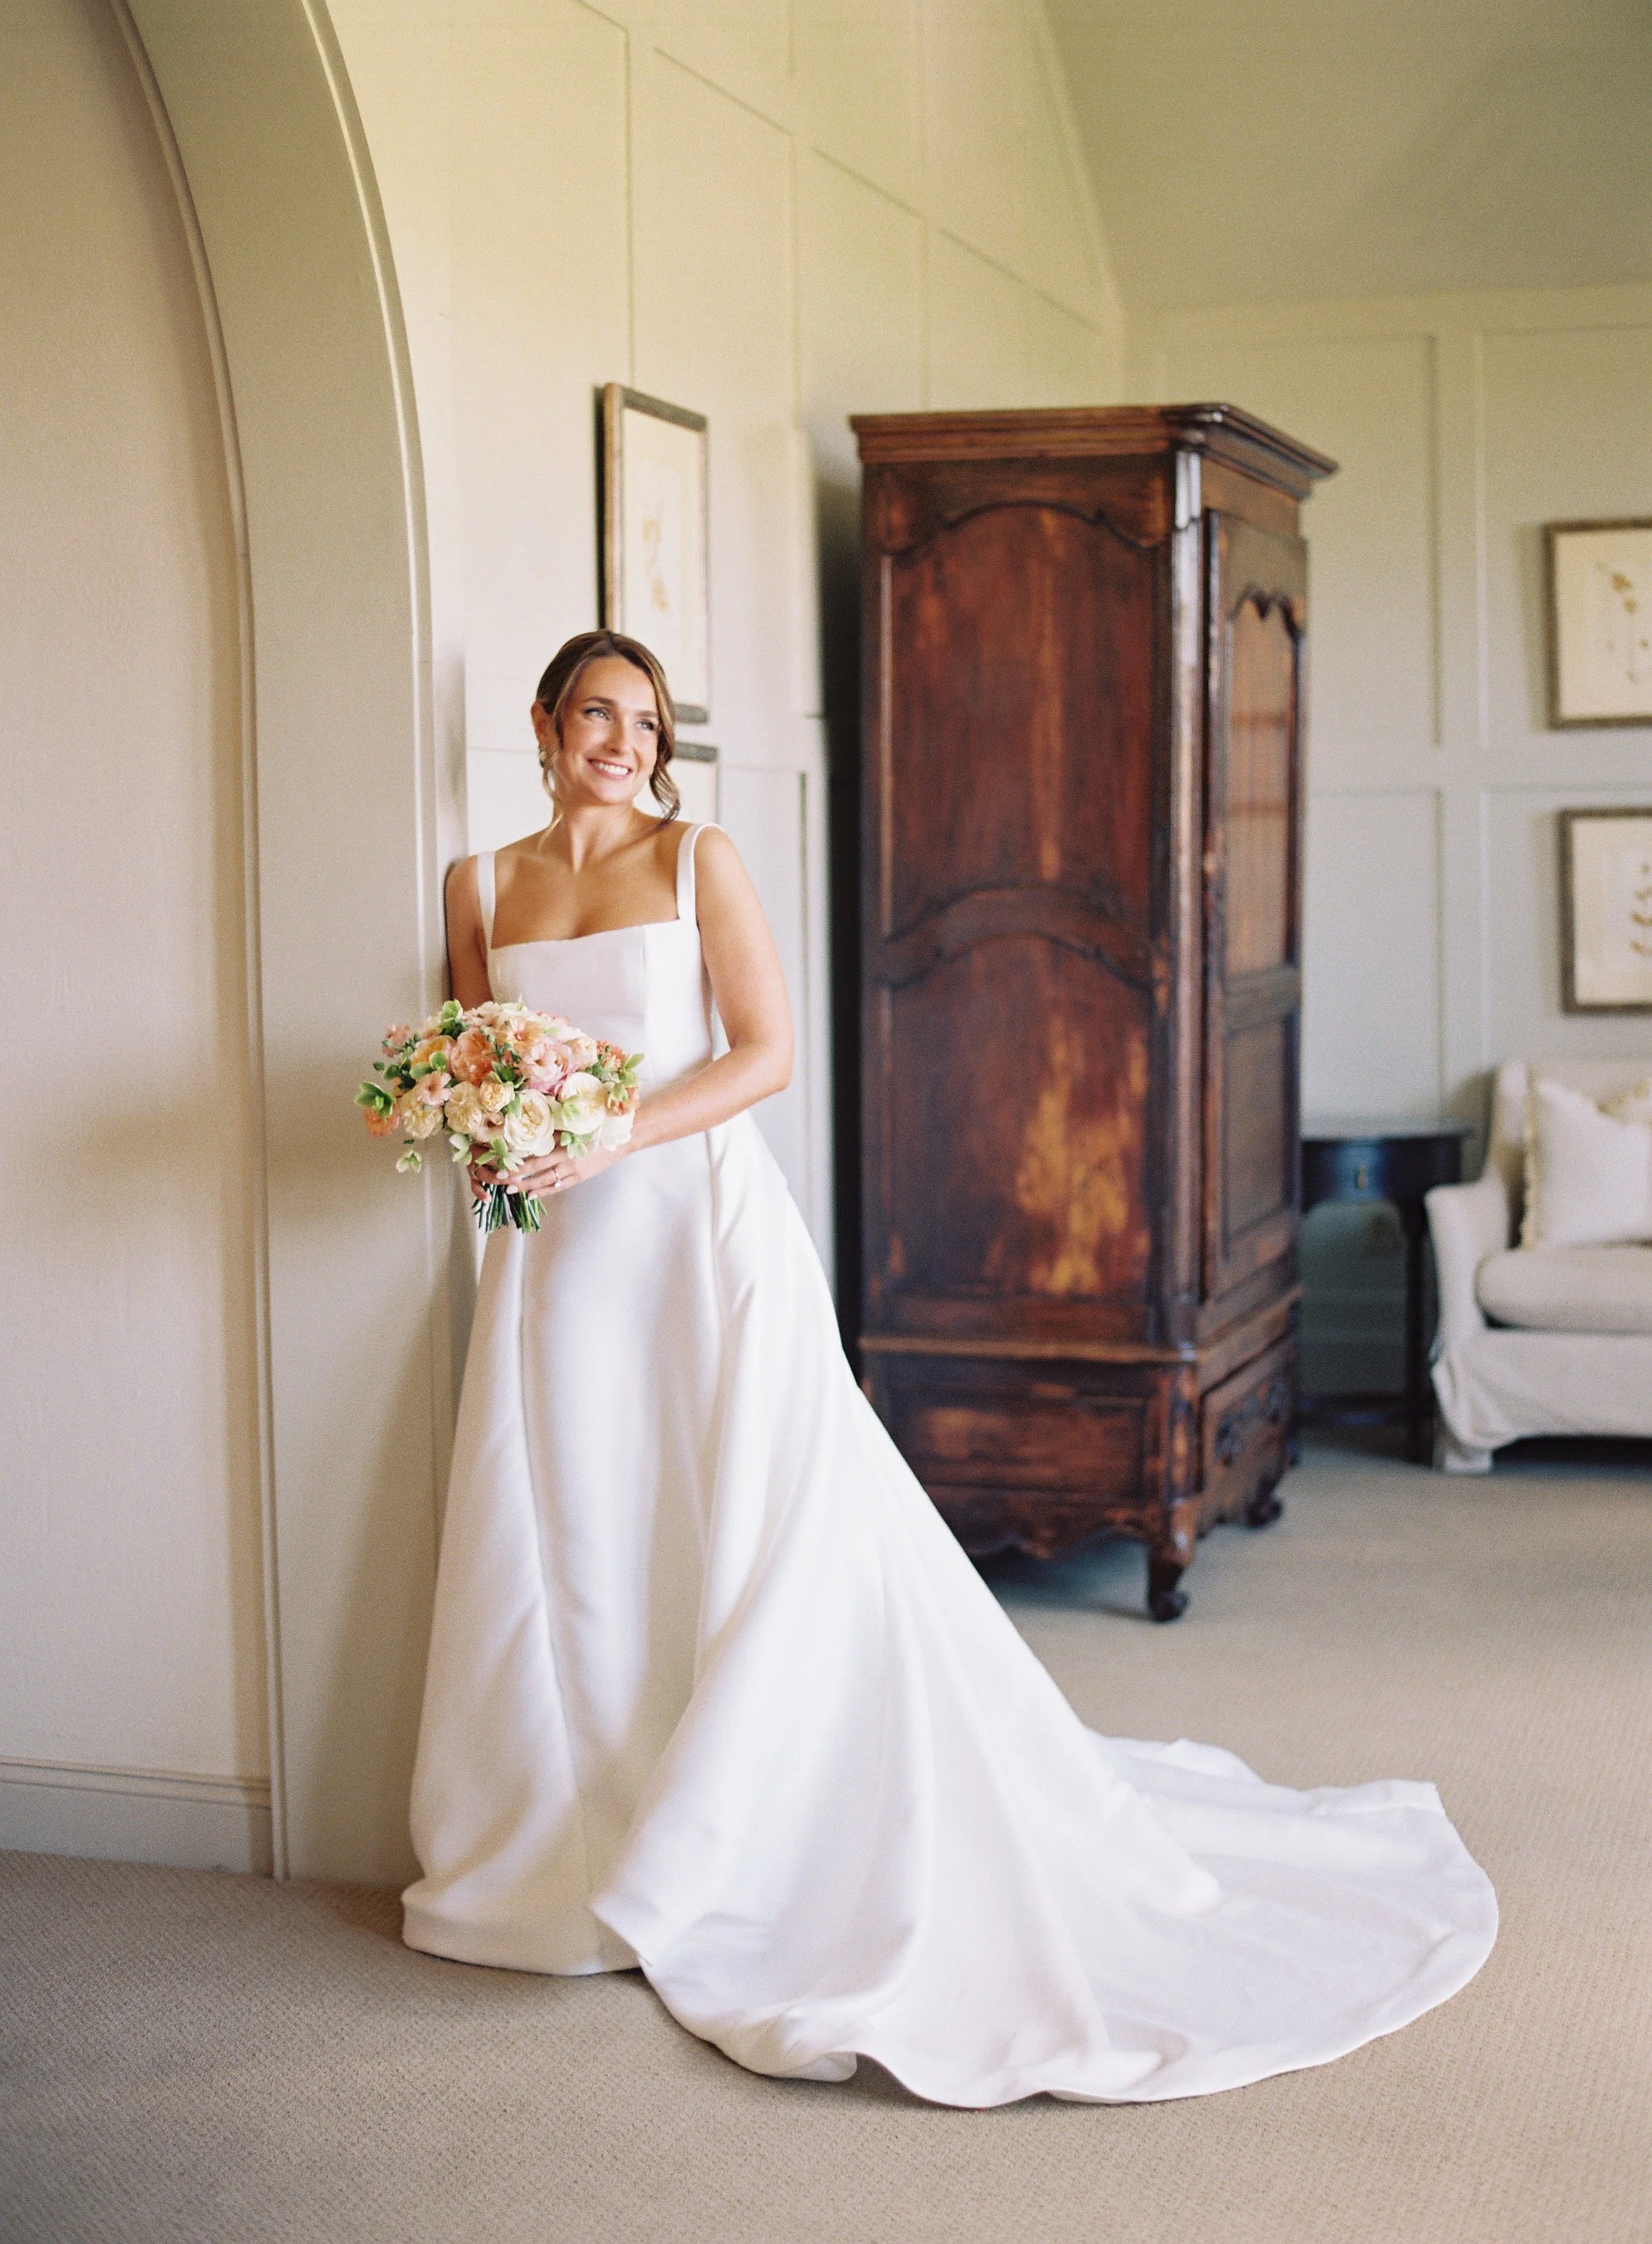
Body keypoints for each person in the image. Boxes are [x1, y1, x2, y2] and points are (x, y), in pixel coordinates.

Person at [401, 629, 1497, 2108]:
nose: (624, 743)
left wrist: (614, 1134)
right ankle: (581, 1834)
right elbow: (483, 1048)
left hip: (690, 1232)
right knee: (579, 1525)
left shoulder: (693, 860)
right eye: (597, 715)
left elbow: (764, 1054)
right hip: (557, 1250)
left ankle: (733, 1839)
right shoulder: (481, 885)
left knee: (740, 1516)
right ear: (543, 723)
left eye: (646, 723)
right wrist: (494, 1141)